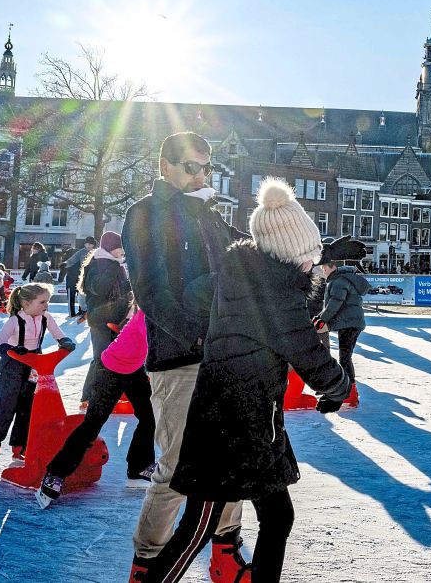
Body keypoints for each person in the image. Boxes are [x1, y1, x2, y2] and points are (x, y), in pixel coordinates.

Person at [139, 177, 351, 583]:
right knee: (198, 525)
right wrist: (339, 387)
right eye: (307, 256)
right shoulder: (276, 294)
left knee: (278, 516)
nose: (312, 262)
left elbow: (198, 293)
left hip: (254, 420)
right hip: (229, 422)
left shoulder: (241, 271)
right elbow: (308, 353)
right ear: (285, 255)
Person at [123, 132, 248, 583]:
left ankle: (226, 553)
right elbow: (152, 294)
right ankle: (146, 563)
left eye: (206, 167)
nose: (200, 175)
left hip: (223, 357)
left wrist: (316, 252)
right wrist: (198, 335)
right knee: (176, 467)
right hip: (178, 360)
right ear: (166, 167)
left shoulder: (210, 216)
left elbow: (253, 253)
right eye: (191, 167)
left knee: (232, 459)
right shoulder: (144, 216)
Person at [38, 232, 156, 507]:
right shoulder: (148, 315)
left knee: (149, 417)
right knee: (93, 424)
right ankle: (54, 474)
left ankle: (139, 467)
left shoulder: (147, 311)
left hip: (132, 368)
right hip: (112, 368)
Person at [0, 283, 76, 461]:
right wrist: (11, 349)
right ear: (26, 303)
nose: (46, 305)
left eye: (47, 301)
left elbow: (59, 334)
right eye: (42, 302)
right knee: (5, 406)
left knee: (28, 407)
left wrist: (65, 342)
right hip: (12, 365)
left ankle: (20, 444)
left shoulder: (46, 317)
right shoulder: (15, 321)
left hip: (35, 365)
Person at [313, 236, 370, 409]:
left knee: (345, 358)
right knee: (344, 357)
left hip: (350, 324)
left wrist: (322, 318)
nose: (322, 271)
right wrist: (321, 317)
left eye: (324, 267)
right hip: (350, 323)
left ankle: (350, 393)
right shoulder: (339, 279)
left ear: (333, 267)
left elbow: (335, 303)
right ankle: (339, 389)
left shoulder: (338, 281)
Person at [79, 233, 133, 409]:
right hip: (101, 320)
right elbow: (100, 289)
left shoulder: (117, 265)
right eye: (119, 247)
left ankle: (111, 393)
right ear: (111, 248)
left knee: (116, 358)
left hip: (118, 319)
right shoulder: (98, 264)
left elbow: (125, 290)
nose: (122, 251)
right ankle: (88, 396)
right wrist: (112, 267)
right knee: (101, 358)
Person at [60, 237, 97, 319]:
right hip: (84, 276)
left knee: (91, 296)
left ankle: (91, 313)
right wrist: (65, 264)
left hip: (94, 276)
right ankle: (84, 311)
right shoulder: (81, 252)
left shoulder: (97, 252)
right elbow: (72, 260)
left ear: (93, 245)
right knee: (81, 297)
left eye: (90, 244)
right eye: (86, 244)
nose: (88, 246)